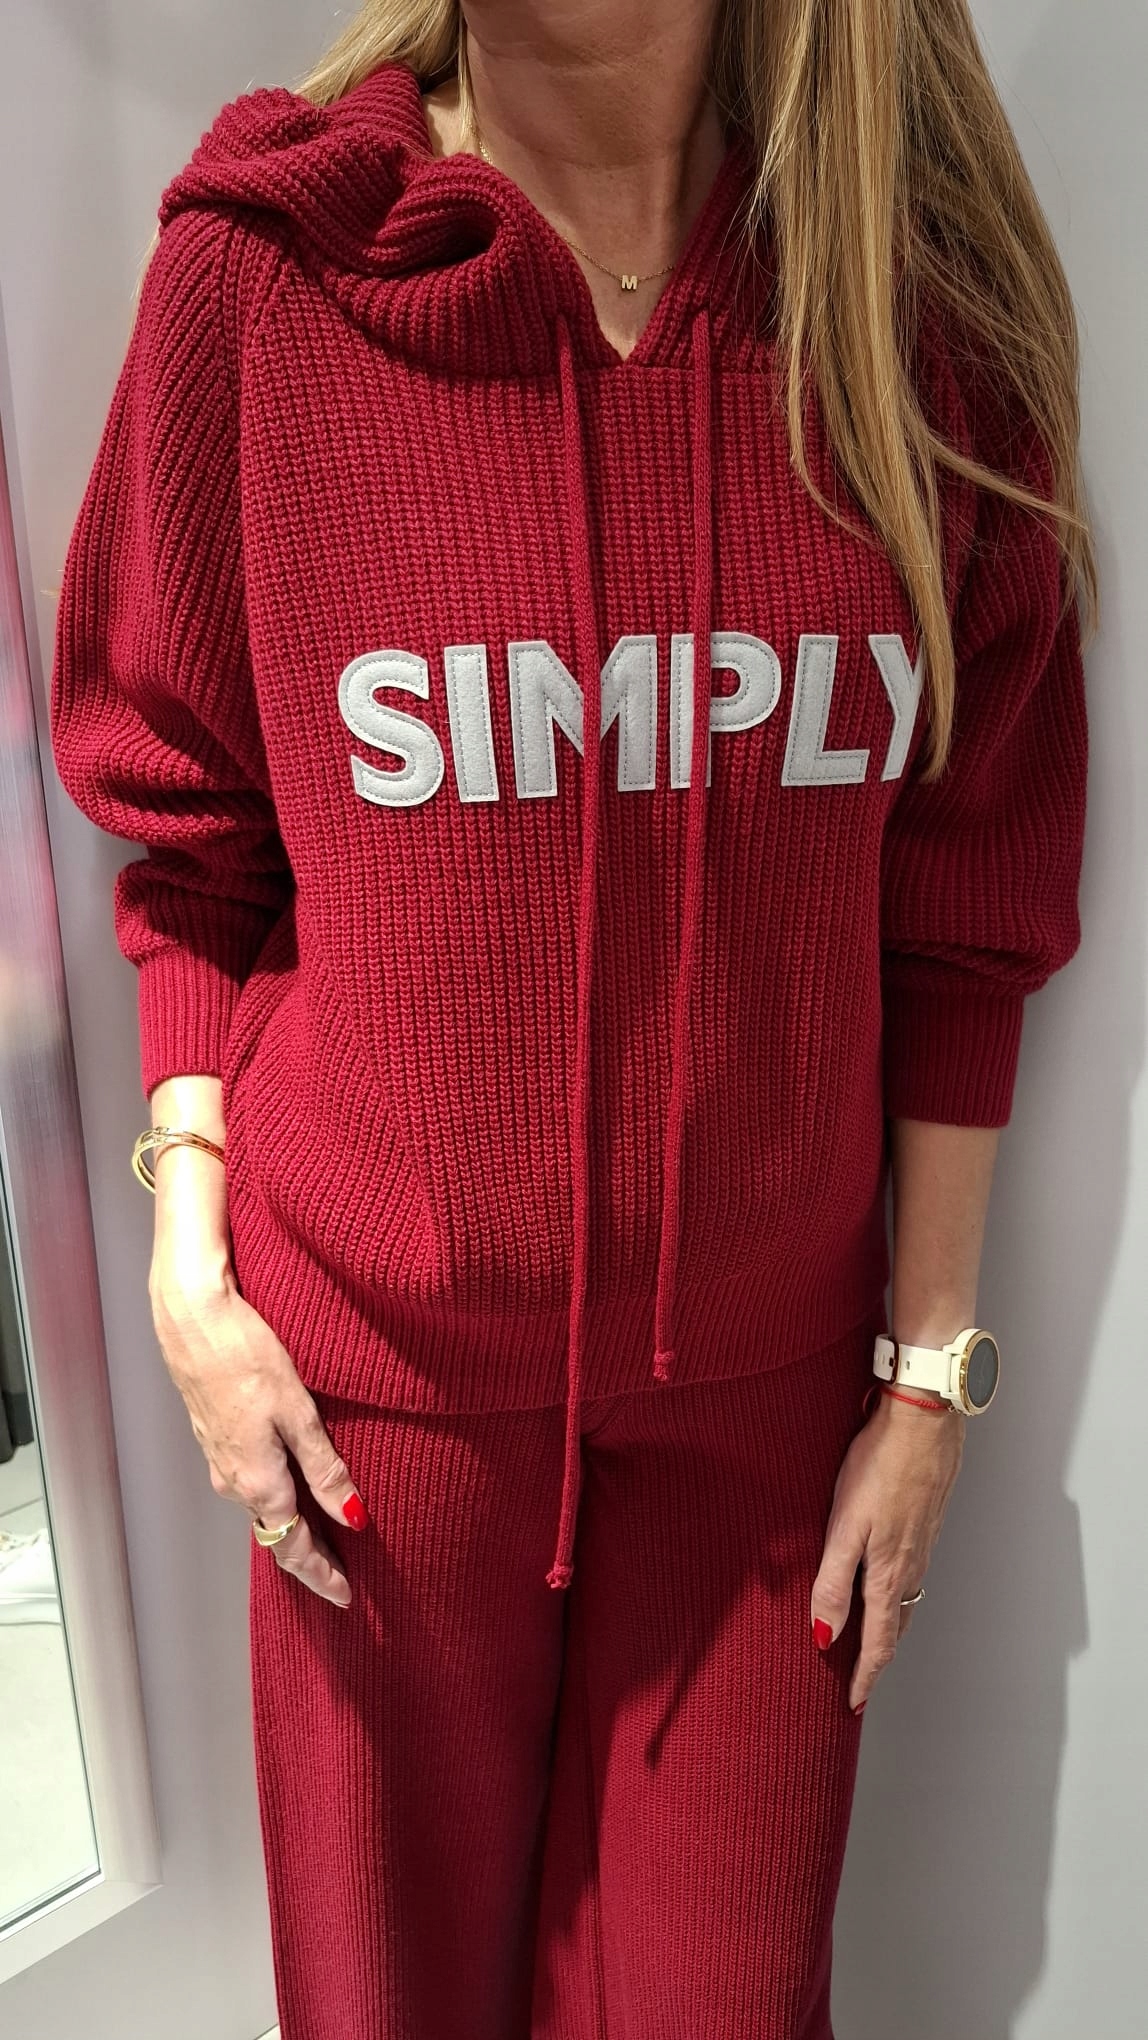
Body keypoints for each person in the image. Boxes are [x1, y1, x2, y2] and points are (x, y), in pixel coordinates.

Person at [48, 2, 1093, 2034]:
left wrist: (925, 1384)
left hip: (764, 1432)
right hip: (371, 1420)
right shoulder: (265, 280)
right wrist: (190, 1273)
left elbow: (966, 905)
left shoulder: (914, 322)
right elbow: (190, 830)